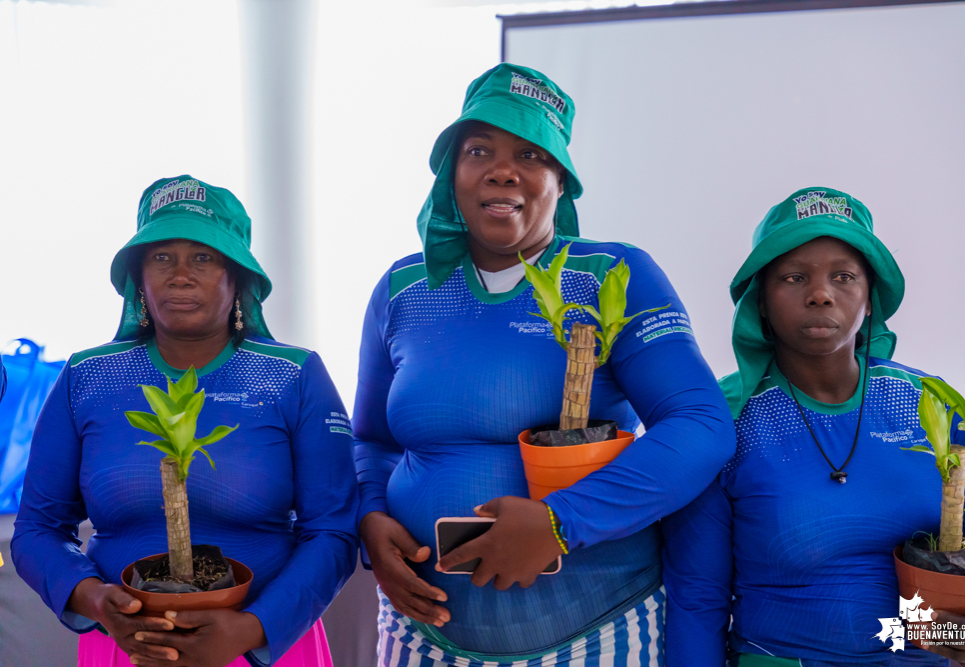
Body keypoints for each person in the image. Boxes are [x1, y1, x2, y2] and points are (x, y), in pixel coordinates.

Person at [353, 63, 735, 666]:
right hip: (419, 640)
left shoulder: (615, 274)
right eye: (479, 149)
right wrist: (372, 520)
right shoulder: (403, 287)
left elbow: (701, 426)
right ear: (451, 173)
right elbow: (371, 440)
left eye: (531, 156)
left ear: (562, 183)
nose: (503, 169)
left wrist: (561, 522)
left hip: (597, 636)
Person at [11, 176, 359, 667]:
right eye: (160, 257)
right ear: (138, 277)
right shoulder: (86, 378)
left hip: (265, 646)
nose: (180, 275)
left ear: (237, 276)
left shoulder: (294, 376)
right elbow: (37, 529)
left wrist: (252, 628)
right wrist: (94, 599)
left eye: (203, 257)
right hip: (127, 646)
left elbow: (334, 530)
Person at [663, 187, 965, 666]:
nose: (820, 294)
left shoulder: (935, 406)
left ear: (869, 300)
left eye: (843, 277)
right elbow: (697, 597)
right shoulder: (723, 422)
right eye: (794, 277)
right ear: (760, 300)